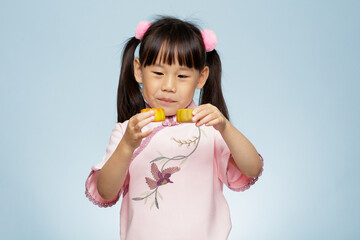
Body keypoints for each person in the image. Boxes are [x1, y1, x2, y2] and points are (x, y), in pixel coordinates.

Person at [85, 16, 263, 240]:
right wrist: (127, 145)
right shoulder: (127, 132)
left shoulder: (211, 130)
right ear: (139, 71)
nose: (168, 86)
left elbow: (252, 169)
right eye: (158, 73)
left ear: (201, 78)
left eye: (182, 76)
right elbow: (106, 191)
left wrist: (225, 127)